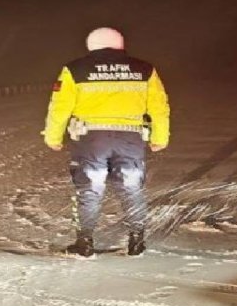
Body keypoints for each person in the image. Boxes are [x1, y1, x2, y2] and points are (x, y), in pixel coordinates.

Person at [43, 26, 170, 257]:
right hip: (131, 137)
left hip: (91, 139)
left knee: (90, 188)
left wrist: (53, 136)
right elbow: (159, 107)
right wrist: (160, 137)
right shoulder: (144, 69)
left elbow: (60, 107)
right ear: (120, 44)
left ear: (91, 44)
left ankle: (85, 243)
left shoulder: (75, 70)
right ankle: (136, 241)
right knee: (132, 188)